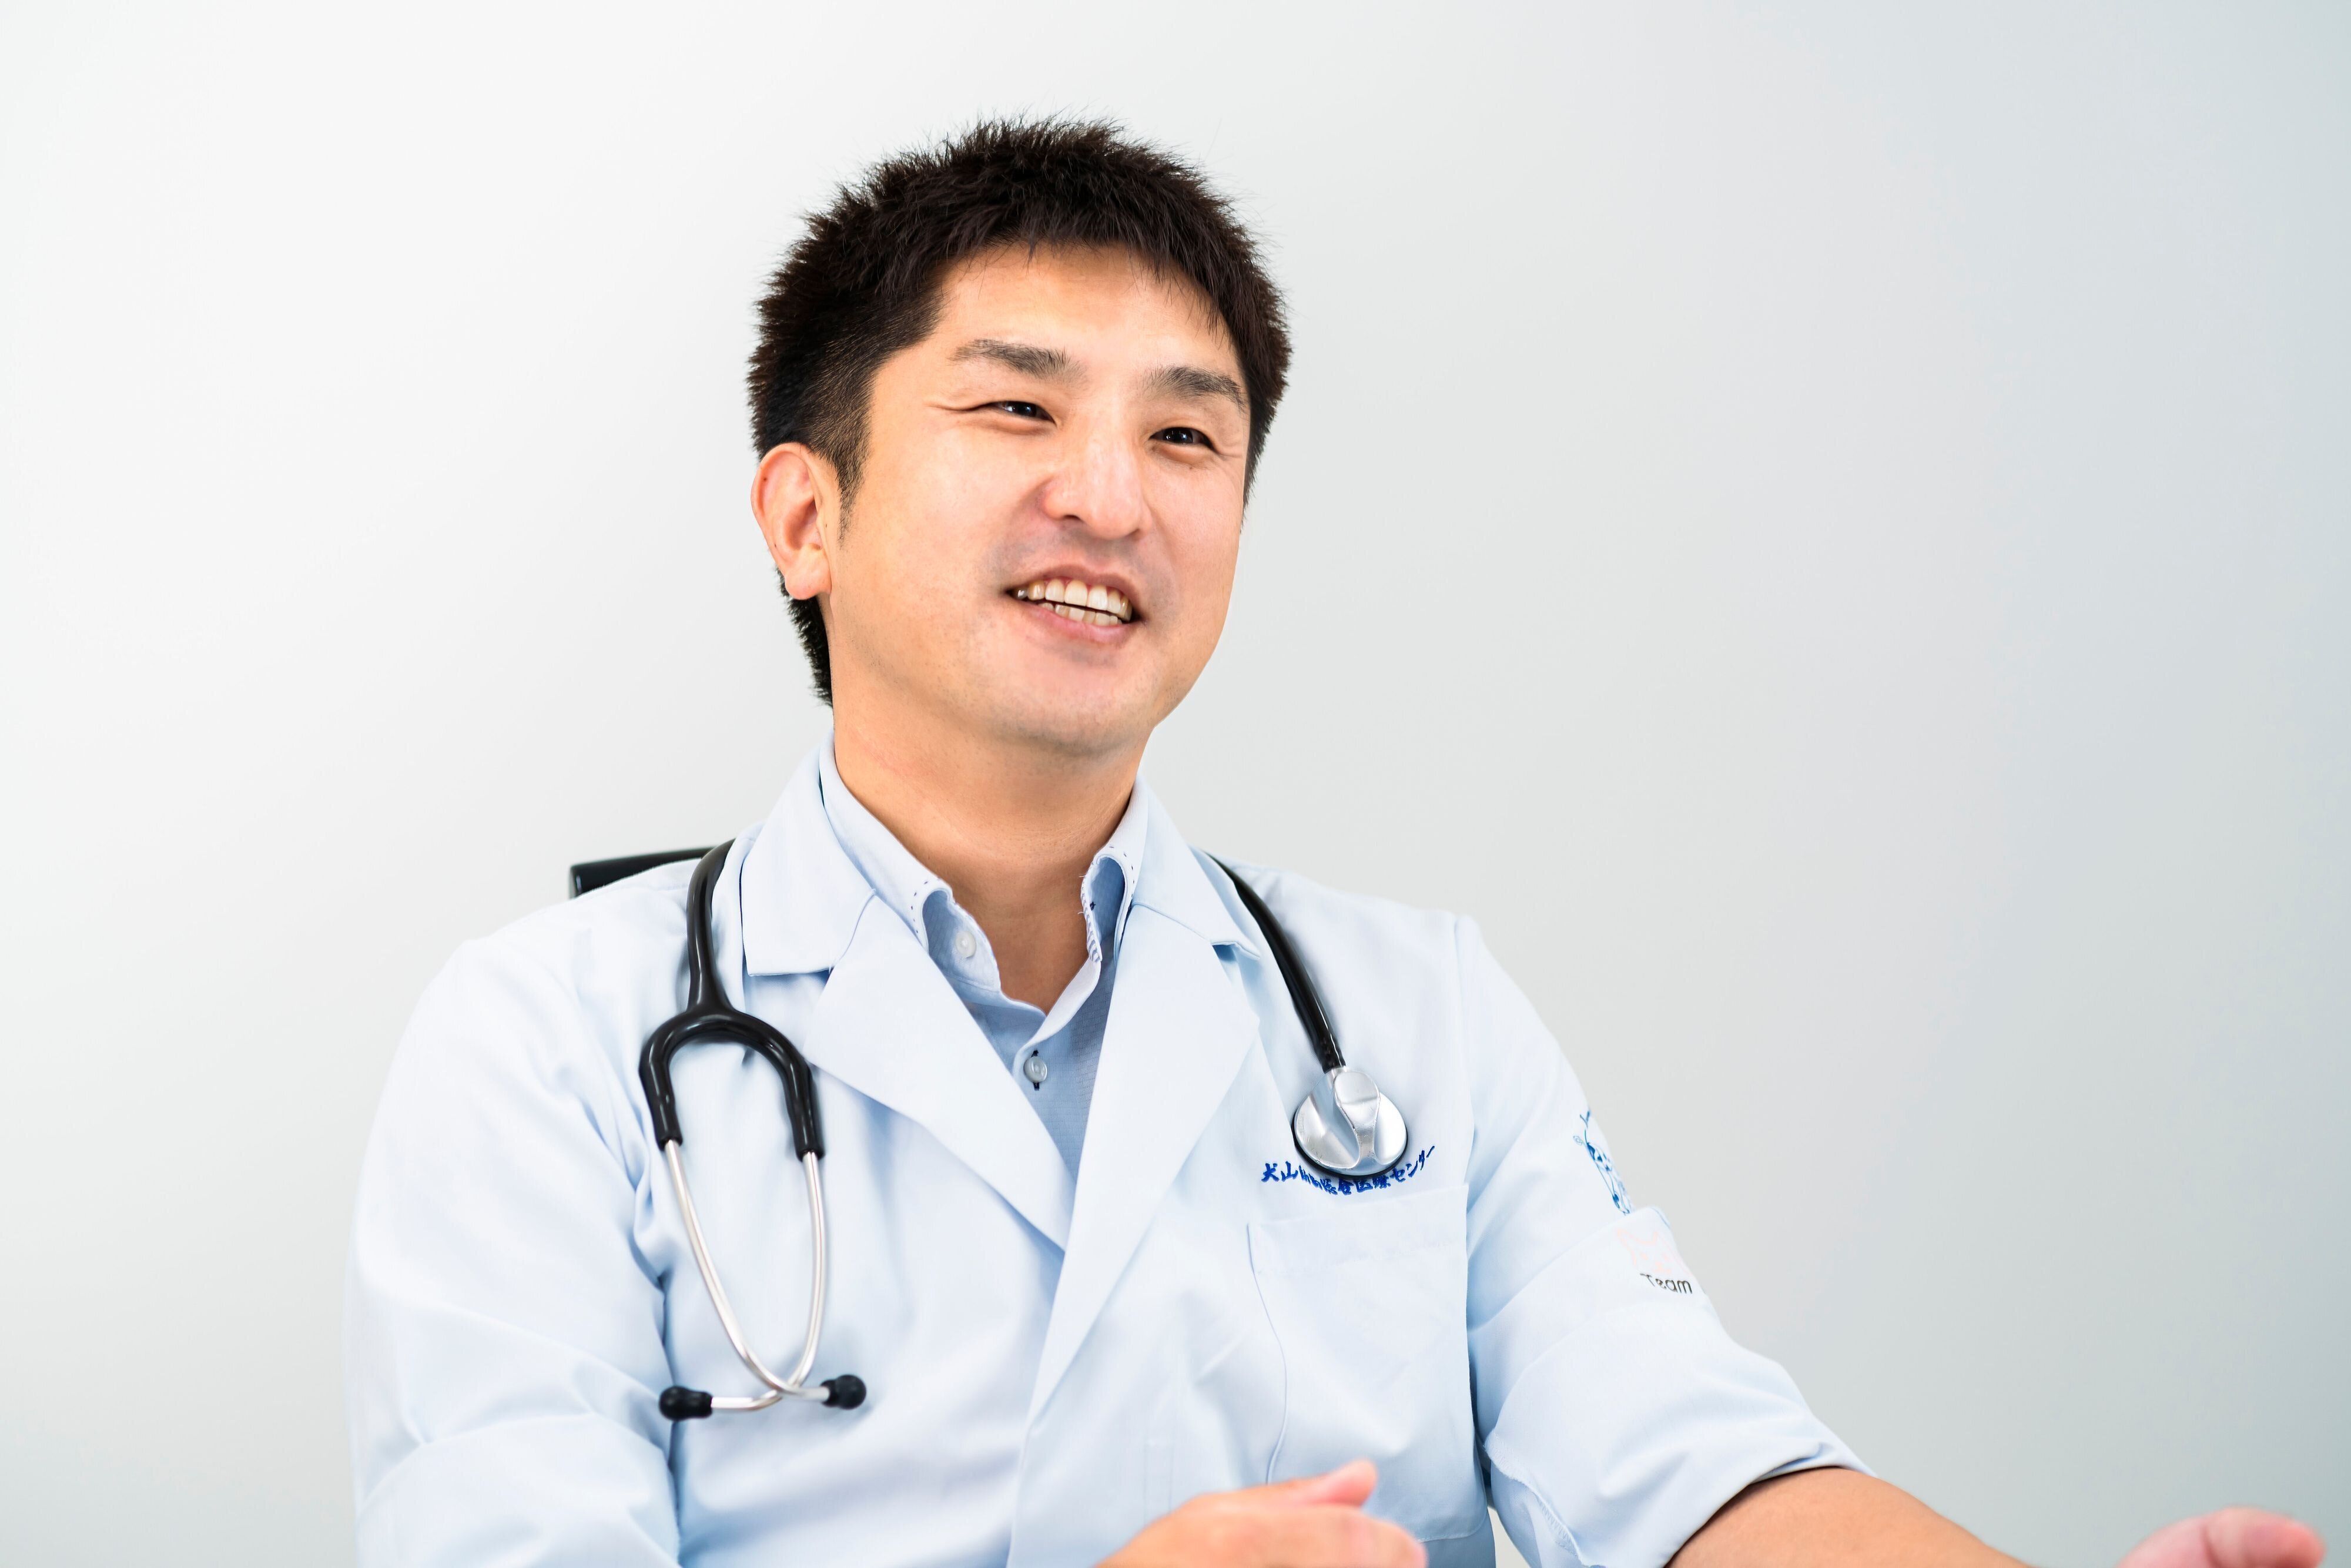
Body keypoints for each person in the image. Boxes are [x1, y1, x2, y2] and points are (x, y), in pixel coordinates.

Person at [343, 120, 2326, 1568]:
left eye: (1186, 437)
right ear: (804, 516)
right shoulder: (544, 1044)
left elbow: (1694, 1473)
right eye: (1017, 409)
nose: (1110, 495)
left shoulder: (1411, 1016)